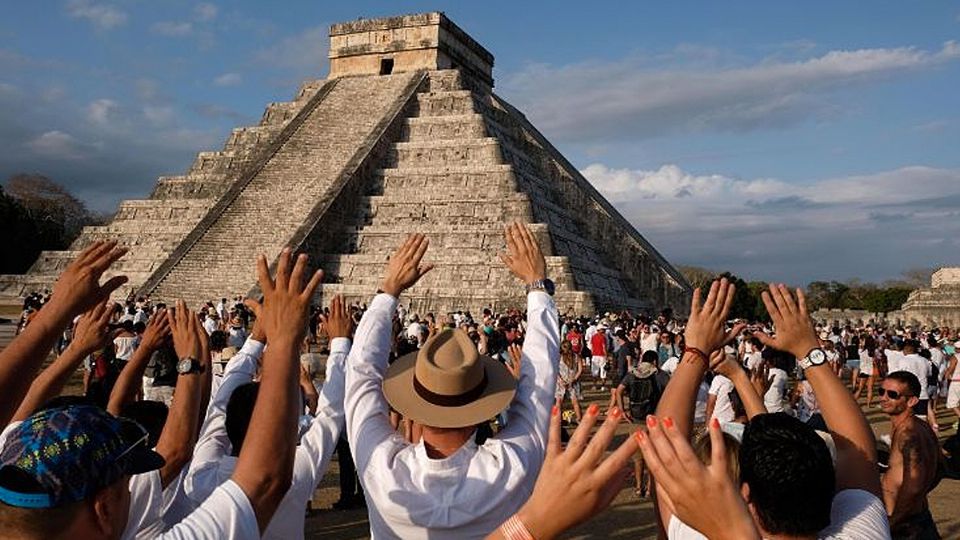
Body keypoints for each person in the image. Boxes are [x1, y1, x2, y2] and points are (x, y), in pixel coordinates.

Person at [344, 225, 559, 538]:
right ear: (483, 407)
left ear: (413, 409)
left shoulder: (382, 468)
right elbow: (539, 379)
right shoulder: (510, 467)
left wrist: (388, 290)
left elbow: (360, 372)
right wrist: (536, 285)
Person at [652, 280, 889, 539]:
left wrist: (695, 350)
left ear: (745, 494)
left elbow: (665, 445)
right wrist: (809, 351)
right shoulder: (863, 532)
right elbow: (857, 449)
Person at [184, 293, 351, 539]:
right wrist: (339, 342)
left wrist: (256, 340)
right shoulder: (296, 473)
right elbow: (331, 412)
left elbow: (219, 409)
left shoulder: (201, 477)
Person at [879, 371, 943, 538]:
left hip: (906, 525)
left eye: (892, 394)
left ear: (912, 401)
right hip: (917, 517)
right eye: (882, 391)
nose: (884, 398)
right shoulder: (920, 427)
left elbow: (914, 486)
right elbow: (940, 468)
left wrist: (894, 522)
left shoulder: (908, 434)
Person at [555, 340, 583, 423]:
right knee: (574, 402)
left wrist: (561, 380)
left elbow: (555, 370)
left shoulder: (558, 357)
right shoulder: (576, 356)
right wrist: (573, 379)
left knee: (559, 402)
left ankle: (558, 420)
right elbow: (580, 370)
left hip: (562, 382)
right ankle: (579, 419)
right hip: (571, 381)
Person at [590, 325, 609, 389]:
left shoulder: (593, 337)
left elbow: (592, 347)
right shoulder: (603, 337)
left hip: (595, 356)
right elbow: (604, 347)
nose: (604, 330)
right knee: (603, 371)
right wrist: (606, 356)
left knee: (594, 371)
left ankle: (594, 385)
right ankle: (603, 386)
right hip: (602, 356)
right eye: (603, 329)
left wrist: (592, 354)